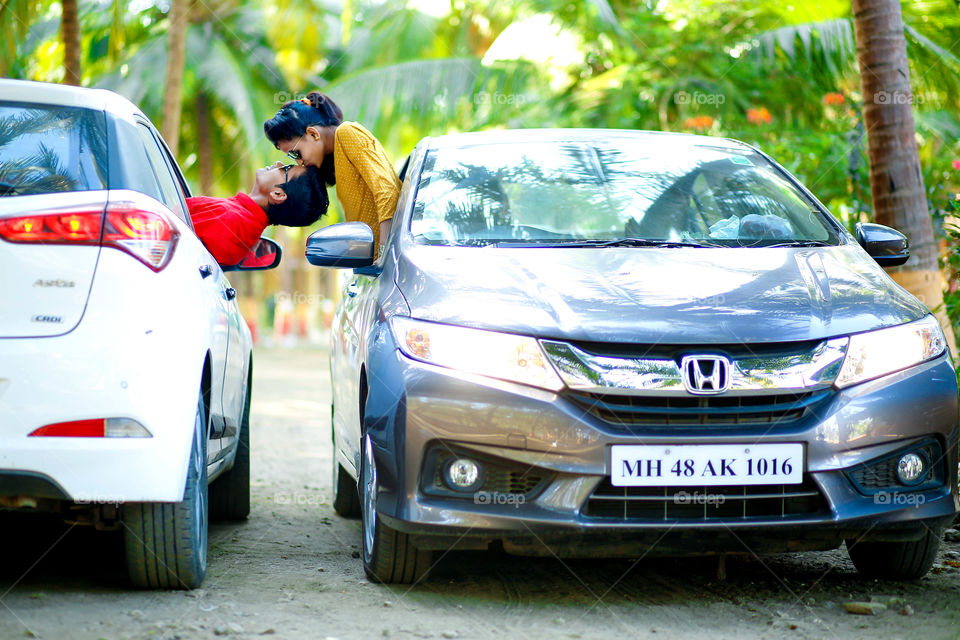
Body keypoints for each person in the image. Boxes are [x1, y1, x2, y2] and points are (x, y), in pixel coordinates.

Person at [263, 92, 401, 258]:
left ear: (313, 133)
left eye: (296, 154)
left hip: (390, 263)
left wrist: (384, 256)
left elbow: (387, 192)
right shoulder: (335, 161)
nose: (299, 163)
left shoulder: (347, 132)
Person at [187, 162, 327, 265]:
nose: (278, 163)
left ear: (277, 194)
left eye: (285, 169)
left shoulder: (229, 219)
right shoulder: (240, 222)